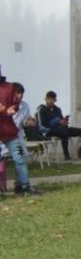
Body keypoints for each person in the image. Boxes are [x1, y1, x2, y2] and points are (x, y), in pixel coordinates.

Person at [0, 67, 39, 197]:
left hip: (10, 132)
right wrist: (4, 111)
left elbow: (15, 106)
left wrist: (11, 109)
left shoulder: (9, 87)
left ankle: (23, 186)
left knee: (20, 159)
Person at [37, 91, 81, 159]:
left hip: (61, 129)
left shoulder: (57, 109)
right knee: (63, 132)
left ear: (55, 100)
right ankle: (66, 156)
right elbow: (42, 125)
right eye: (49, 99)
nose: (50, 101)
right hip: (47, 131)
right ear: (45, 99)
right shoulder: (41, 110)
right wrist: (57, 122)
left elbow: (61, 120)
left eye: (52, 99)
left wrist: (64, 122)